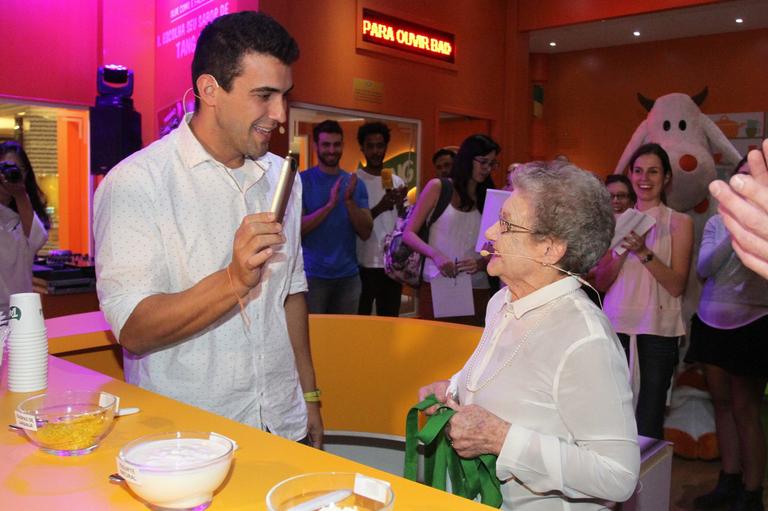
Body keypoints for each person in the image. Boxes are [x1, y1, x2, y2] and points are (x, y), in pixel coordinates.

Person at [93, 11, 323, 447]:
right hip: (188, 439)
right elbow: (134, 329)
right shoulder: (137, 182)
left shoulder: (283, 179)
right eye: (264, 96)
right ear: (209, 89)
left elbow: (291, 294)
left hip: (282, 421)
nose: (279, 113)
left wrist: (309, 397)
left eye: (284, 95)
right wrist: (233, 281)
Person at [419, 161, 639, 510]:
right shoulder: (502, 301)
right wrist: (453, 388)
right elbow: (508, 380)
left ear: (550, 249)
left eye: (505, 224)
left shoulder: (585, 338)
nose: (490, 232)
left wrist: (500, 439)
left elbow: (618, 475)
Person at [595, 142, 694, 440]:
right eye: (638, 171)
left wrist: (644, 251)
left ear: (666, 178)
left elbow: (677, 284)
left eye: (653, 171)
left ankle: (646, 482)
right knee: (612, 411)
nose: (644, 178)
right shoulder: (613, 222)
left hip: (657, 328)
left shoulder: (679, 222)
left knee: (649, 413)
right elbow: (600, 282)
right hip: (616, 323)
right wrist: (624, 248)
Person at [686, 156, 768, 511]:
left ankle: (752, 493)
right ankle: (729, 480)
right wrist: (734, 233)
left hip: (753, 324)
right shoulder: (716, 224)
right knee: (721, 404)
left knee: (745, 408)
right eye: (740, 179)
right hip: (711, 320)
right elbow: (704, 268)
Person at [403, 134, 497, 326]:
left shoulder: (490, 195)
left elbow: (497, 245)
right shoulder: (438, 187)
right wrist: (436, 255)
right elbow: (409, 234)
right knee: (435, 346)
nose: (487, 168)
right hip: (438, 284)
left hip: (476, 286)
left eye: (492, 163)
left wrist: (480, 263)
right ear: (467, 159)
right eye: (483, 162)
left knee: (470, 349)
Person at [300, 120, 372, 314]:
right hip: (313, 277)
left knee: (344, 339)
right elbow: (296, 230)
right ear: (316, 146)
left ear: (342, 145)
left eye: (336, 144)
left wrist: (348, 201)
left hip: (348, 277)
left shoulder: (355, 183)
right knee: (314, 339)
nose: (331, 150)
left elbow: (366, 231)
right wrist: (329, 206)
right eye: (326, 144)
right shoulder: (302, 181)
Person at [355, 122, 406, 317]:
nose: (376, 151)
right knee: (361, 320)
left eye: (380, 145)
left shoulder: (396, 181)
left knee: (390, 319)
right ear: (363, 148)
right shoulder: (355, 180)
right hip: (363, 263)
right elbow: (356, 223)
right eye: (371, 146)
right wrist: (380, 206)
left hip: (391, 265)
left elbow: (403, 223)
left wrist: (401, 206)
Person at [0, 141, 50, 316]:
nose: (10, 174)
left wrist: (20, 194)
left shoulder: (26, 211)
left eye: (17, 169)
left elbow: (37, 240)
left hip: (20, 311)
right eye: (4, 168)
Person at [710, 138, 768, 280]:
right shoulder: (717, 221)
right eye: (743, 175)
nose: (747, 182)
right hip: (717, 299)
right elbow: (704, 269)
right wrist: (735, 232)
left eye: (754, 176)